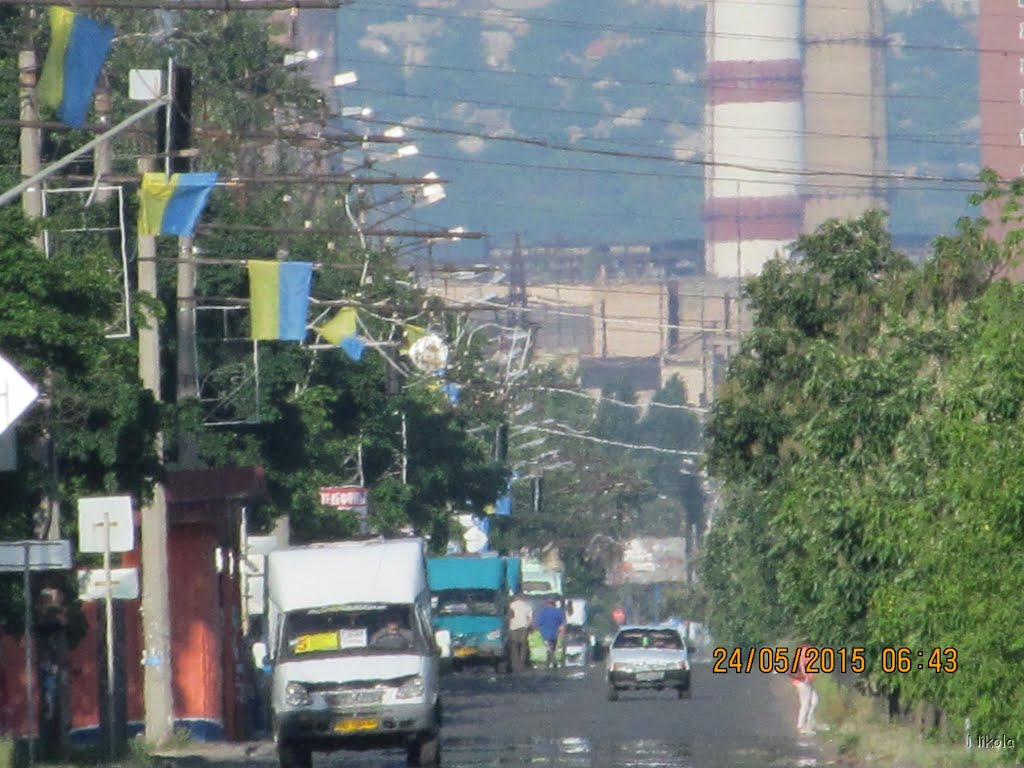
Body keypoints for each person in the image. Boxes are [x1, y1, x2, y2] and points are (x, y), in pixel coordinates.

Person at [790, 644, 819, 735]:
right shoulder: (803, 653)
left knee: (814, 701)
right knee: (805, 704)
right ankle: (801, 726)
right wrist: (806, 676)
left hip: (807, 682)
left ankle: (808, 723)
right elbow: (802, 665)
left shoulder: (805, 653)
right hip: (802, 682)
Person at [535, 598, 566, 669]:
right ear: (553, 604)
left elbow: (538, 623)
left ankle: (553, 663)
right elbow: (562, 622)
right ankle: (548, 663)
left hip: (545, 634)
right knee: (552, 649)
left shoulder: (543, 612)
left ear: (547, 604)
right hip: (555, 634)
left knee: (550, 649)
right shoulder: (558, 612)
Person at [507, 592, 533, 672]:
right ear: (523, 598)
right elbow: (530, 619)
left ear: (516, 598)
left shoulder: (511, 605)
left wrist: (509, 623)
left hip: (513, 627)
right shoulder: (527, 607)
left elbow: (509, 615)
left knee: (514, 646)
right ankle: (522, 664)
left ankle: (515, 664)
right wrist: (528, 626)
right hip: (523, 627)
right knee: (523, 645)